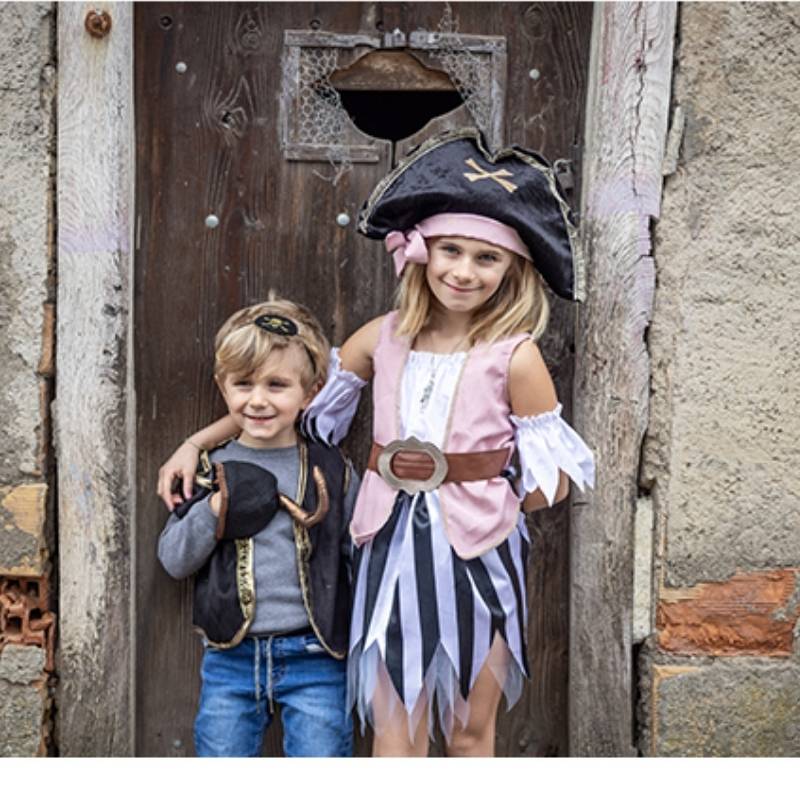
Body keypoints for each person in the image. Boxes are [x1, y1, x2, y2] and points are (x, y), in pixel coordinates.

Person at [158, 129, 595, 757]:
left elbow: (550, 477)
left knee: (471, 730)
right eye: (449, 250)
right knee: (397, 728)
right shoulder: (384, 336)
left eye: (486, 258)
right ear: (422, 253)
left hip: (476, 553)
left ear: (513, 268)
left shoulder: (515, 357)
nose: (463, 271)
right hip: (390, 548)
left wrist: (481, 503)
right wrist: (198, 442)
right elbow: (294, 404)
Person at [157, 296, 359, 757]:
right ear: (222, 388)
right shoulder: (208, 469)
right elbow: (173, 560)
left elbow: (360, 554)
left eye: (277, 385)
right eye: (243, 384)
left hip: (317, 658)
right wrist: (214, 511)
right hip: (230, 659)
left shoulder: (332, 468)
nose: (258, 399)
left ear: (311, 392)